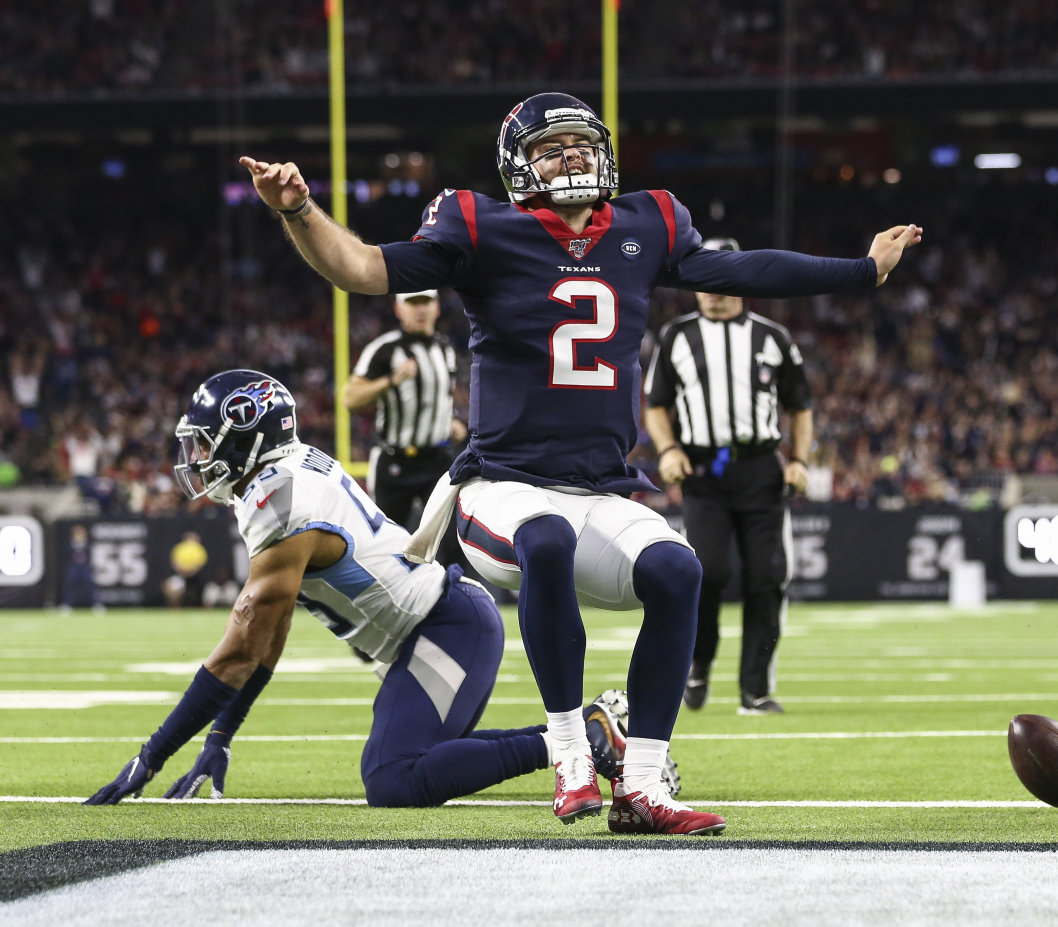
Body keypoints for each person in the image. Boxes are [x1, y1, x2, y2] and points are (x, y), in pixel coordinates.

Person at [240, 91, 921, 835]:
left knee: (680, 570)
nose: (571, 158)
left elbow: (743, 271)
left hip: (600, 486)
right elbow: (363, 270)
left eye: (579, 144)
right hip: (498, 486)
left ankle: (641, 782)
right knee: (546, 539)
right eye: (551, 148)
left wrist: (862, 270)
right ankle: (569, 751)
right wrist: (299, 210)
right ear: (517, 166)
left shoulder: (646, 221)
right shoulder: (481, 225)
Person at [85, 369, 666, 808]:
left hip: (448, 628)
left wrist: (151, 756)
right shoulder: (283, 476)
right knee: (420, 761)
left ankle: (586, 741)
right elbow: (268, 634)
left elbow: (240, 647)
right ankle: (589, 732)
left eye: (209, 442)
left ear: (246, 438)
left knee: (394, 778)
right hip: (436, 630)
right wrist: (221, 734)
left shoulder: (278, 503)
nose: (200, 458)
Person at [643, 236, 811, 716]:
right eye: (705, 278)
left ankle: (755, 691)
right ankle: (698, 663)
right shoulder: (676, 336)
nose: (714, 289)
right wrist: (669, 449)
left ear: (743, 279)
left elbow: (800, 406)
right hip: (703, 467)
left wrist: (798, 459)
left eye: (723, 276)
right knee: (708, 571)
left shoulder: (773, 337)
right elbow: (656, 405)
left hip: (760, 466)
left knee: (768, 577)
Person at [344, 288, 468, 575]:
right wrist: (391, 379)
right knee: (386, 542)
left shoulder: (444, 348)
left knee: (449, 541)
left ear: (437, 307)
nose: (420, 309)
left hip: (436, 458)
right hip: (394, 460)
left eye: (426, 302)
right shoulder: (385, 349)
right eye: (413, 303)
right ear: (399, 309)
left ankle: (449, 606)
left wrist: (447, 423)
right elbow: (351, 398)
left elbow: (438, 398)